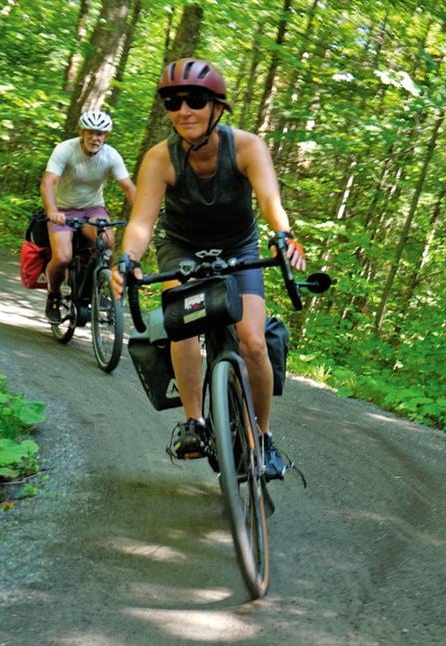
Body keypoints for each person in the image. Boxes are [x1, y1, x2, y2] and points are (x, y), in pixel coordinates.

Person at [110, 58, 306, 481]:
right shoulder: (160, 158)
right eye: (172, 101)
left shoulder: (248, 147)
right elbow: (142, 221)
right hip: (182, 248)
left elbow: (271, 200)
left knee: (252, 340)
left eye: (195, 100)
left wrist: (283, 235)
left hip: (239, 247)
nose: (184, 110)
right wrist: (127, 260)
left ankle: (264, 438)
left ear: (217, 106)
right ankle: (195, 423)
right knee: (185, 325)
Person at [41, 110, 137, 323]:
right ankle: (53, 296)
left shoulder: (111, 155)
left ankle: (97, 289)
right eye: (91, 133)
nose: (96, 138)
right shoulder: (65, 149)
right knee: (63, 257)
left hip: (92, 208)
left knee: (107, 244)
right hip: (63, 210)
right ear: (82, 132)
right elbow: (48, 182)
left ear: (106, 136)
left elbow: (129, 188)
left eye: (101, 134)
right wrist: (52, 211)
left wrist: (141, 216)